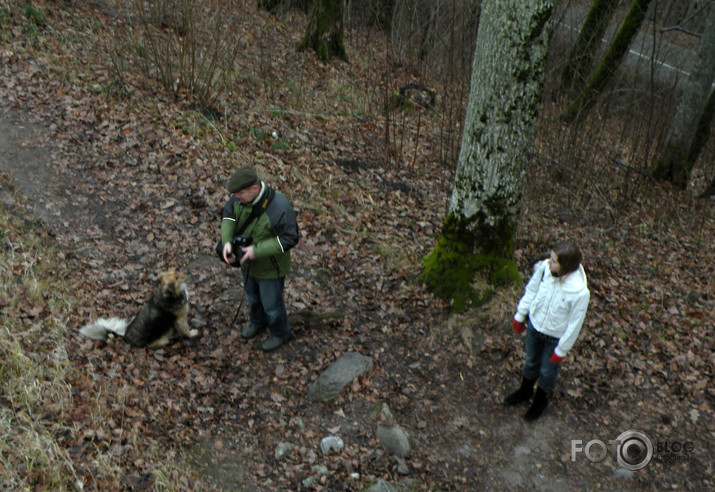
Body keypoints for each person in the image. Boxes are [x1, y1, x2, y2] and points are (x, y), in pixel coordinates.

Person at [505, 239, 590, 421]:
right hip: (535, 327)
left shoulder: (580, 293)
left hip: (554, 338)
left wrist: (561, 350)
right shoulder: (545, 269)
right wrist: (521, 315)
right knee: (530, 361)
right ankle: (525, 391)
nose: (548, 262)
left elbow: (575, 324)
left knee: (547, 371)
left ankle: (540, 401)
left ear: (565, 266)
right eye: (550, 258)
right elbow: (531, 290)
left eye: (553, 260)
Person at [217, 166, 299, 352]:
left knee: (272, 304)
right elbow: (228, 216)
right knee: (252, 297)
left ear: (254, 189)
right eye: (235, 193)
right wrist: (227, 241)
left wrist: (257, 251)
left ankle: (280, 332)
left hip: (270, 268)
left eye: (241, 193)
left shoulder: (279, 206)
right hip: (248, 264)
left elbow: (290, 238)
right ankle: (257, 322)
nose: (236, 197)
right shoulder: (238, 198)